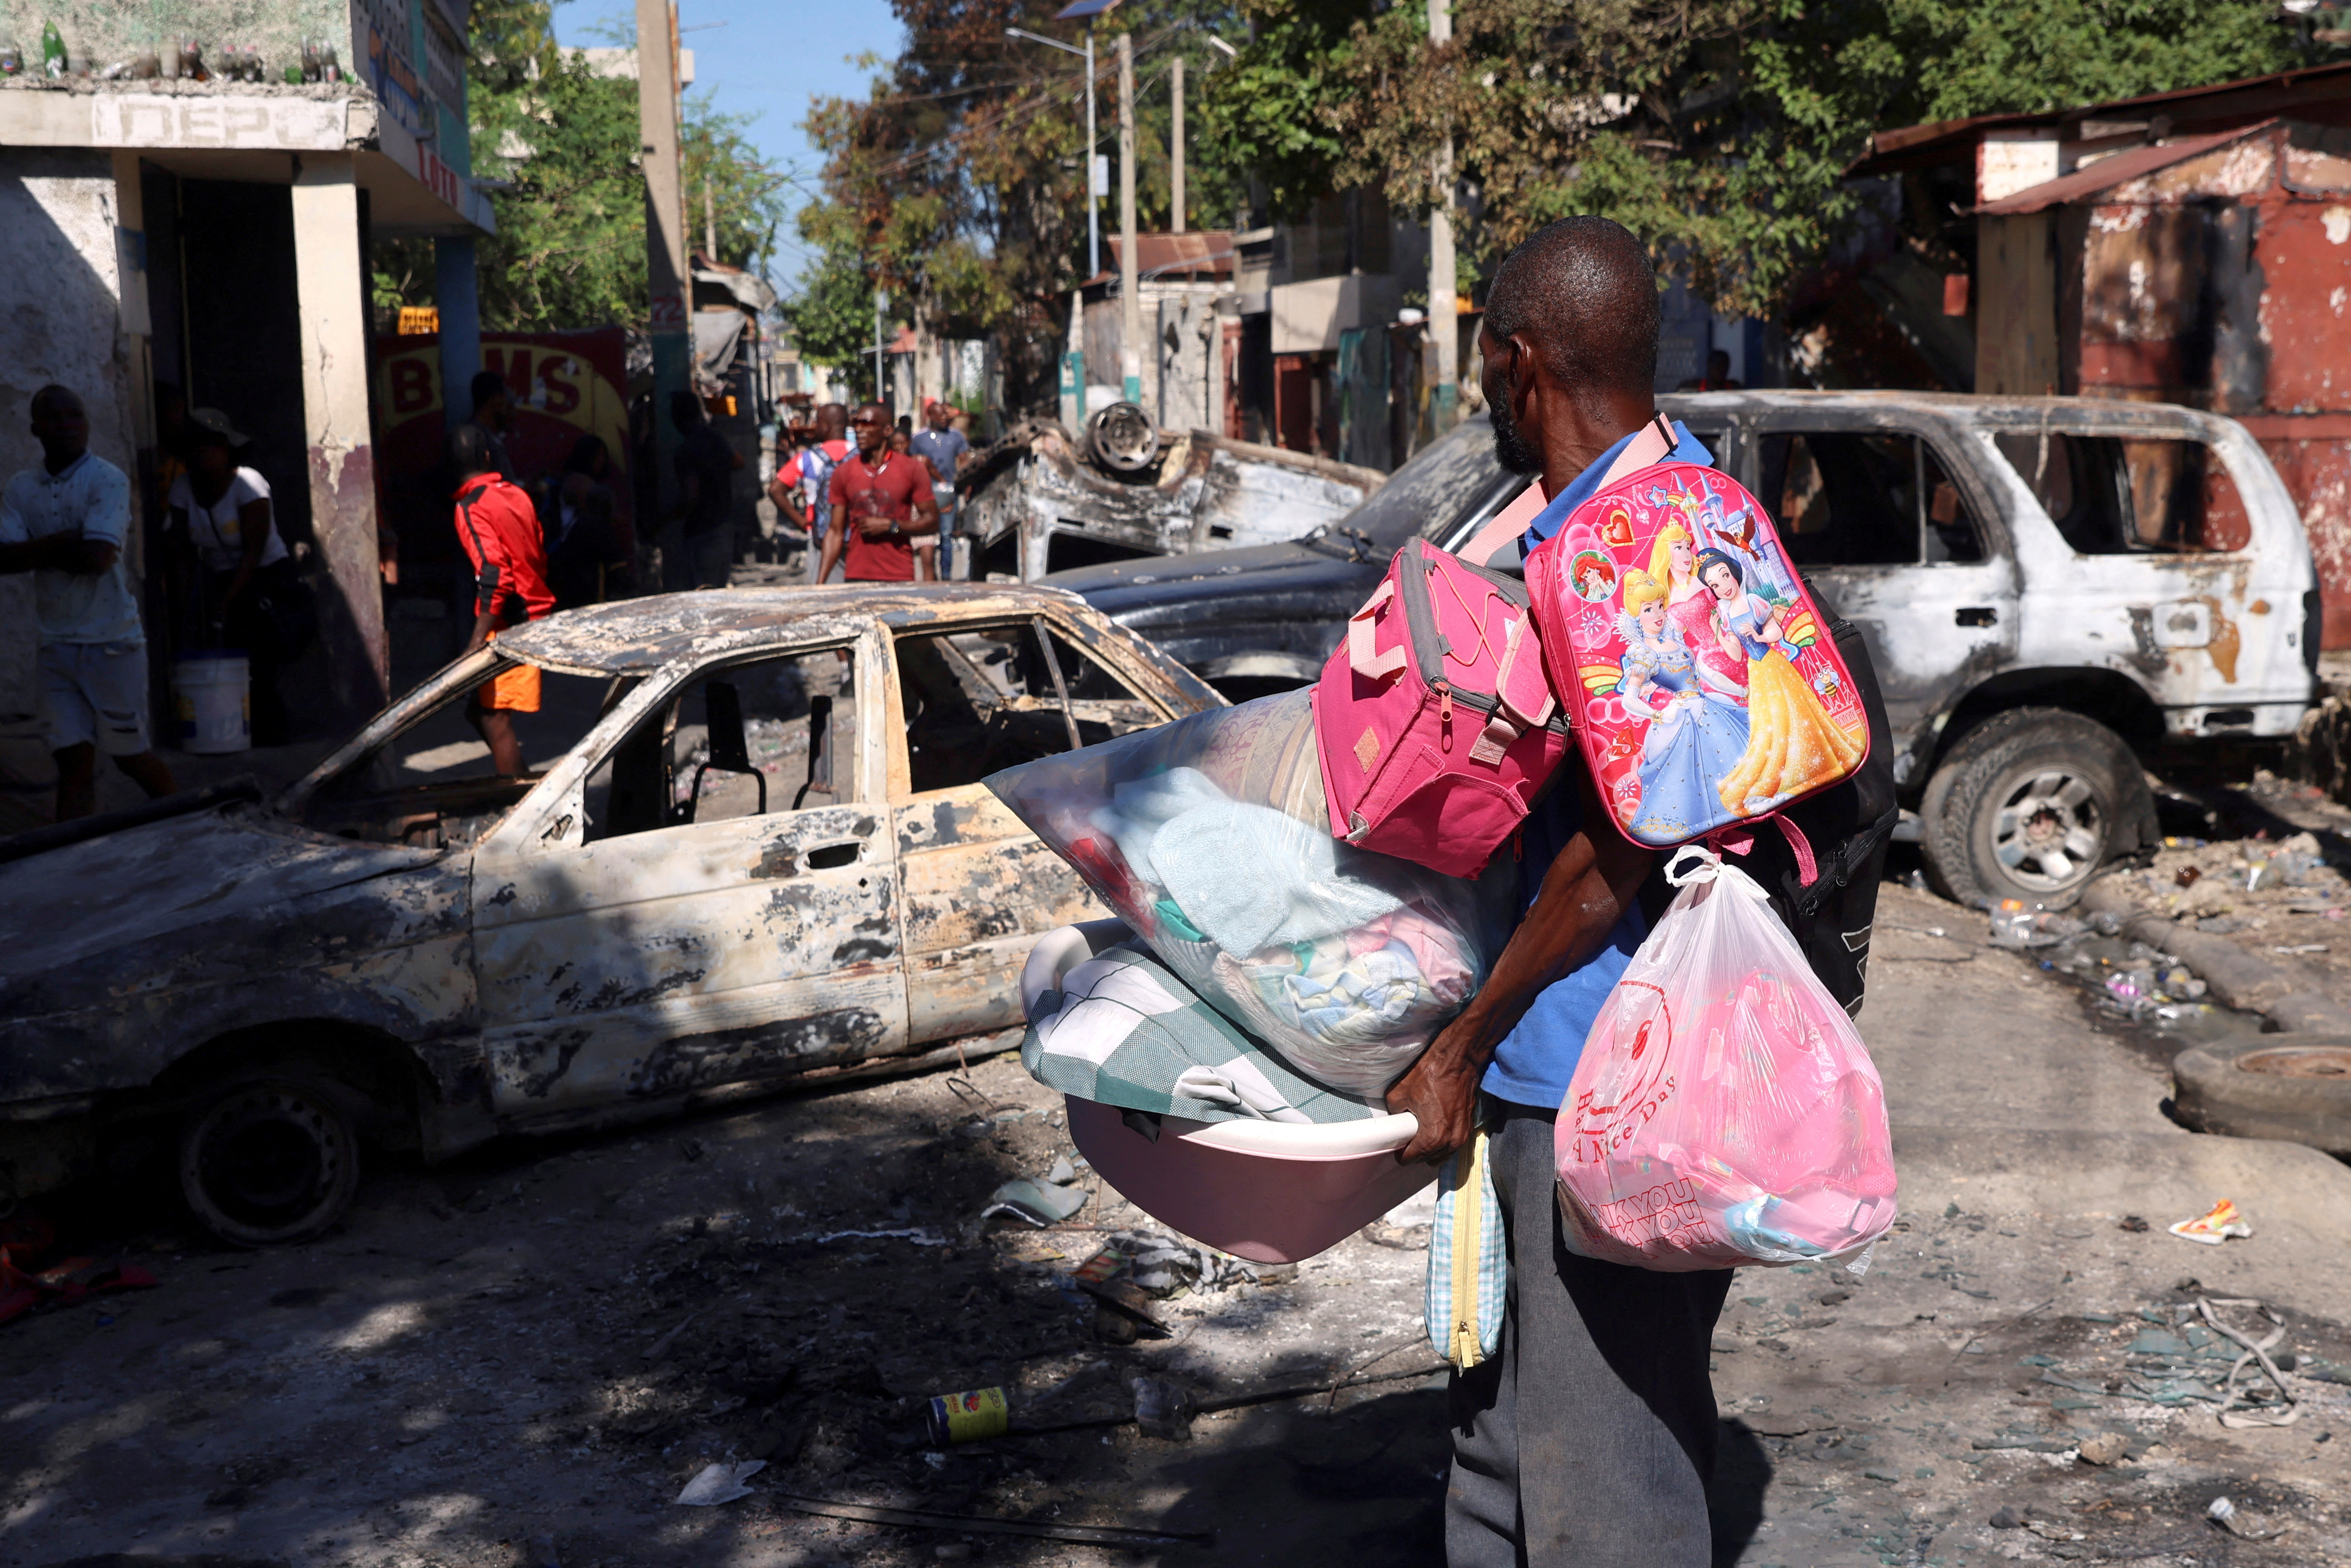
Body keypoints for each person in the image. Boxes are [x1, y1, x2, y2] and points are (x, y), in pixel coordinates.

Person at [1383, 216, 1730, 1568]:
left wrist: (1459, 1045)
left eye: (1482, 363)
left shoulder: (1635, 549)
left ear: (1515, 360)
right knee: (1496, 1429)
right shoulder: (1632, 500)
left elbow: (1617, 849)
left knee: (1604, 1467)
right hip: (1537, 1060)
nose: (1481, 388)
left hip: (1603, 1081)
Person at [0, 385, 176, 820]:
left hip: (111, 643)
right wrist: (64, 540)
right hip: (55, 645)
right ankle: (75, 860)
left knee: (129, 756)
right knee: (71, 763)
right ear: (34, 428)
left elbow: (98, 559)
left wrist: (35, 551)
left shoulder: (107, 479)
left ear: (87, 424)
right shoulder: (22, 487)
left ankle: (191, 824)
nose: (64, 426)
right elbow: (5, 560)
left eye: (73, 417)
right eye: (53, 418)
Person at [166, 408, 310, 745]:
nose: (204, 452)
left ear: (227, 448)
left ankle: (273, 740)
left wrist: (225, 605)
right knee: (230, 660)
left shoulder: (248, 482)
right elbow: (183, 552)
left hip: (267, 579)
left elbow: (254, 551)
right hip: (223, 581)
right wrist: (185, 604)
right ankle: (234, 733)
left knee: (259, 663)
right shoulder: (183, 489)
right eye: (196, 445)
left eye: (212, 445)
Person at [1699, 547, 1866, 815]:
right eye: (1714, 584)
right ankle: (1779, 772)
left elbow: (1775, 632)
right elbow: (1736, 652)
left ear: (1734, 572)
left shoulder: (1755, 603)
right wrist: (1719, 633)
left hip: (1773, 665)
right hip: (1757, 671)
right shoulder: (1728, 613)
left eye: (1725, 576)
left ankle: (1804, 765)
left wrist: (1757, 634)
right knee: (1768, 724)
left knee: (1793, 714)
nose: (1723, 586)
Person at [446, 422, 554, 775]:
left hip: (509, 624)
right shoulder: (517, 495)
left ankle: (517, 809)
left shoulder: (469, 507)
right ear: (489, 457)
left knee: (494, 720)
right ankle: (523, 787)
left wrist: (476, 643)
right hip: (532, 614)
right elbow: (538, 552)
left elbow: (493, 573)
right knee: (477, 711)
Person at [817, 401, 938, 585]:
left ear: (887, 430)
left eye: (867, 424)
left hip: (899, 576)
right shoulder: (844, 472)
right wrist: (820, 584)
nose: (859, 430)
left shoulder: (912, 469)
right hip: (857, 576)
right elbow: (835, 532)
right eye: (856, 424)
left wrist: (892, 527)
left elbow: (932, 522)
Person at [669, 390, 741, 588]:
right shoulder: (715, 439)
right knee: (717, 588)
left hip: (703, 530)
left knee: (704, 591)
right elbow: (738, 462)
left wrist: (668, 518)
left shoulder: (687, 450)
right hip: (723, 526)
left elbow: (691, 496)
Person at [768, 404, 849, 551]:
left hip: (820, 537)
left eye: (817, 422)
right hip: (856, 539)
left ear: (825, 425)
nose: (814, 427)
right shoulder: (862, 456)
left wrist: (801, 522)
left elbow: (775, 490)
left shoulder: (807, 459)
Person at [910, 398, 971, 580]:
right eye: (940, 414)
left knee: (946, 536)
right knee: (927, 537)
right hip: (925, 493)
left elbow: (965, 461)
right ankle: (930, 576)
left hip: (947, 492)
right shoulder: (919, 438)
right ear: (930, 416)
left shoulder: (956, 436)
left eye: (946, 414)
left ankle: (946, 576)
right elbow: (911, 464)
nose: (945, 417)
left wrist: (967, 483)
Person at [467, 370, 516, 482]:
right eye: (504, 398)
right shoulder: (477, 439)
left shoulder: (484, 435)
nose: (513, 413)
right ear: (496, 399)